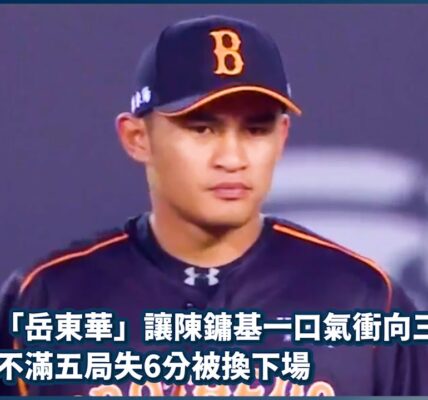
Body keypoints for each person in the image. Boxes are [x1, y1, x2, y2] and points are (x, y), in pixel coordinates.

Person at [0, 15, 426, 397]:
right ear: (137, 138)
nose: (232, 158)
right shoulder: (46, 297)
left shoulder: (365, 299)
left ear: (281, 138)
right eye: (202, 129)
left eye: (256, 130)